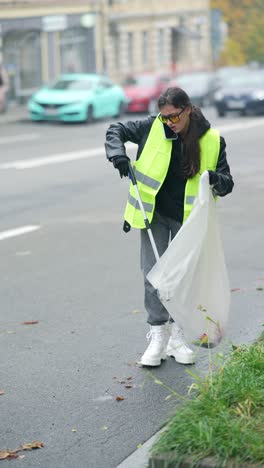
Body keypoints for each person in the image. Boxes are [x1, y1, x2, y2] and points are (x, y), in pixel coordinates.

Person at [105, 87, 234, 367]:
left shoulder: (212, 140)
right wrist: (117, 154)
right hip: (155, 215)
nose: (170, 123)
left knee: (182, 280)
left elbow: (227, 183)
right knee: (154, 276)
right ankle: (158, 336)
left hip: (189, 222)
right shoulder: (152, 127)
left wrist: (213, 178)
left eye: (174, 116)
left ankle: (178, 337)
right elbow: (115, 129)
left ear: (188, 109)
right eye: (165, 118)